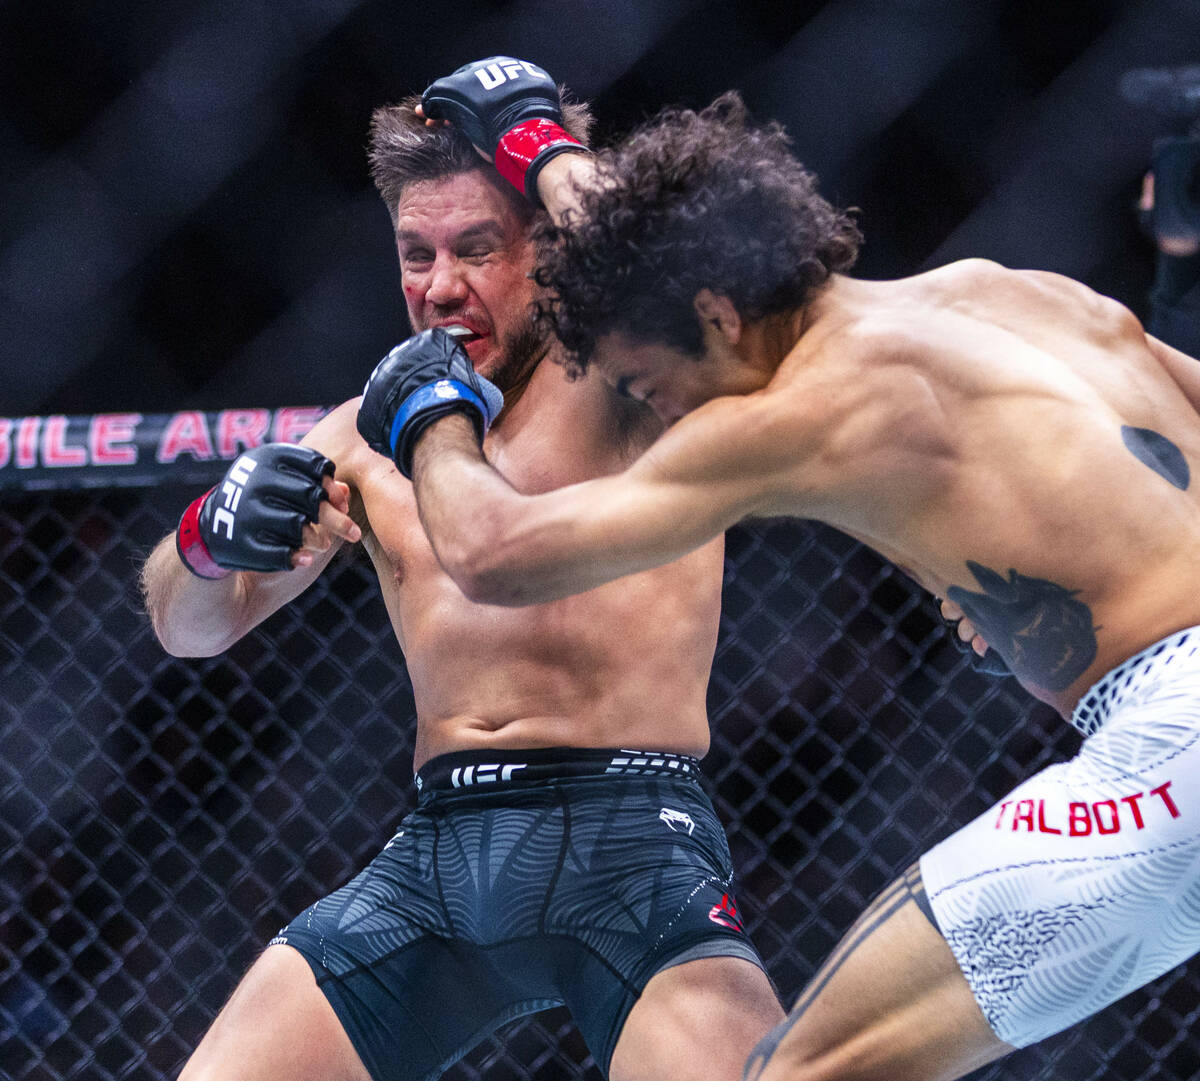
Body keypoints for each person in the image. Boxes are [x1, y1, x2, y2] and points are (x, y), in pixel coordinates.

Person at [365, 57, 1200, 1081]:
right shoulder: (1012, 295)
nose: (664, 417)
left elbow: (500, 556)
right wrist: (540, 148)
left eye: (647, 382)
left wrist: (430, 417)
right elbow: (664, 245)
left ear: (718, 316)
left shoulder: (802, 408)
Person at [139, 80, 785, 1081]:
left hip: (632, 845)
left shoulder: (637, 383)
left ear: (551, 249)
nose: (441, 287)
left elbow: (675, 252)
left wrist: (535, 143)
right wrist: (207, 537)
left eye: (477, 249)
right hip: (437, 864)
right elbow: (186, 628)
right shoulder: (366, 432)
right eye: (417, 253)